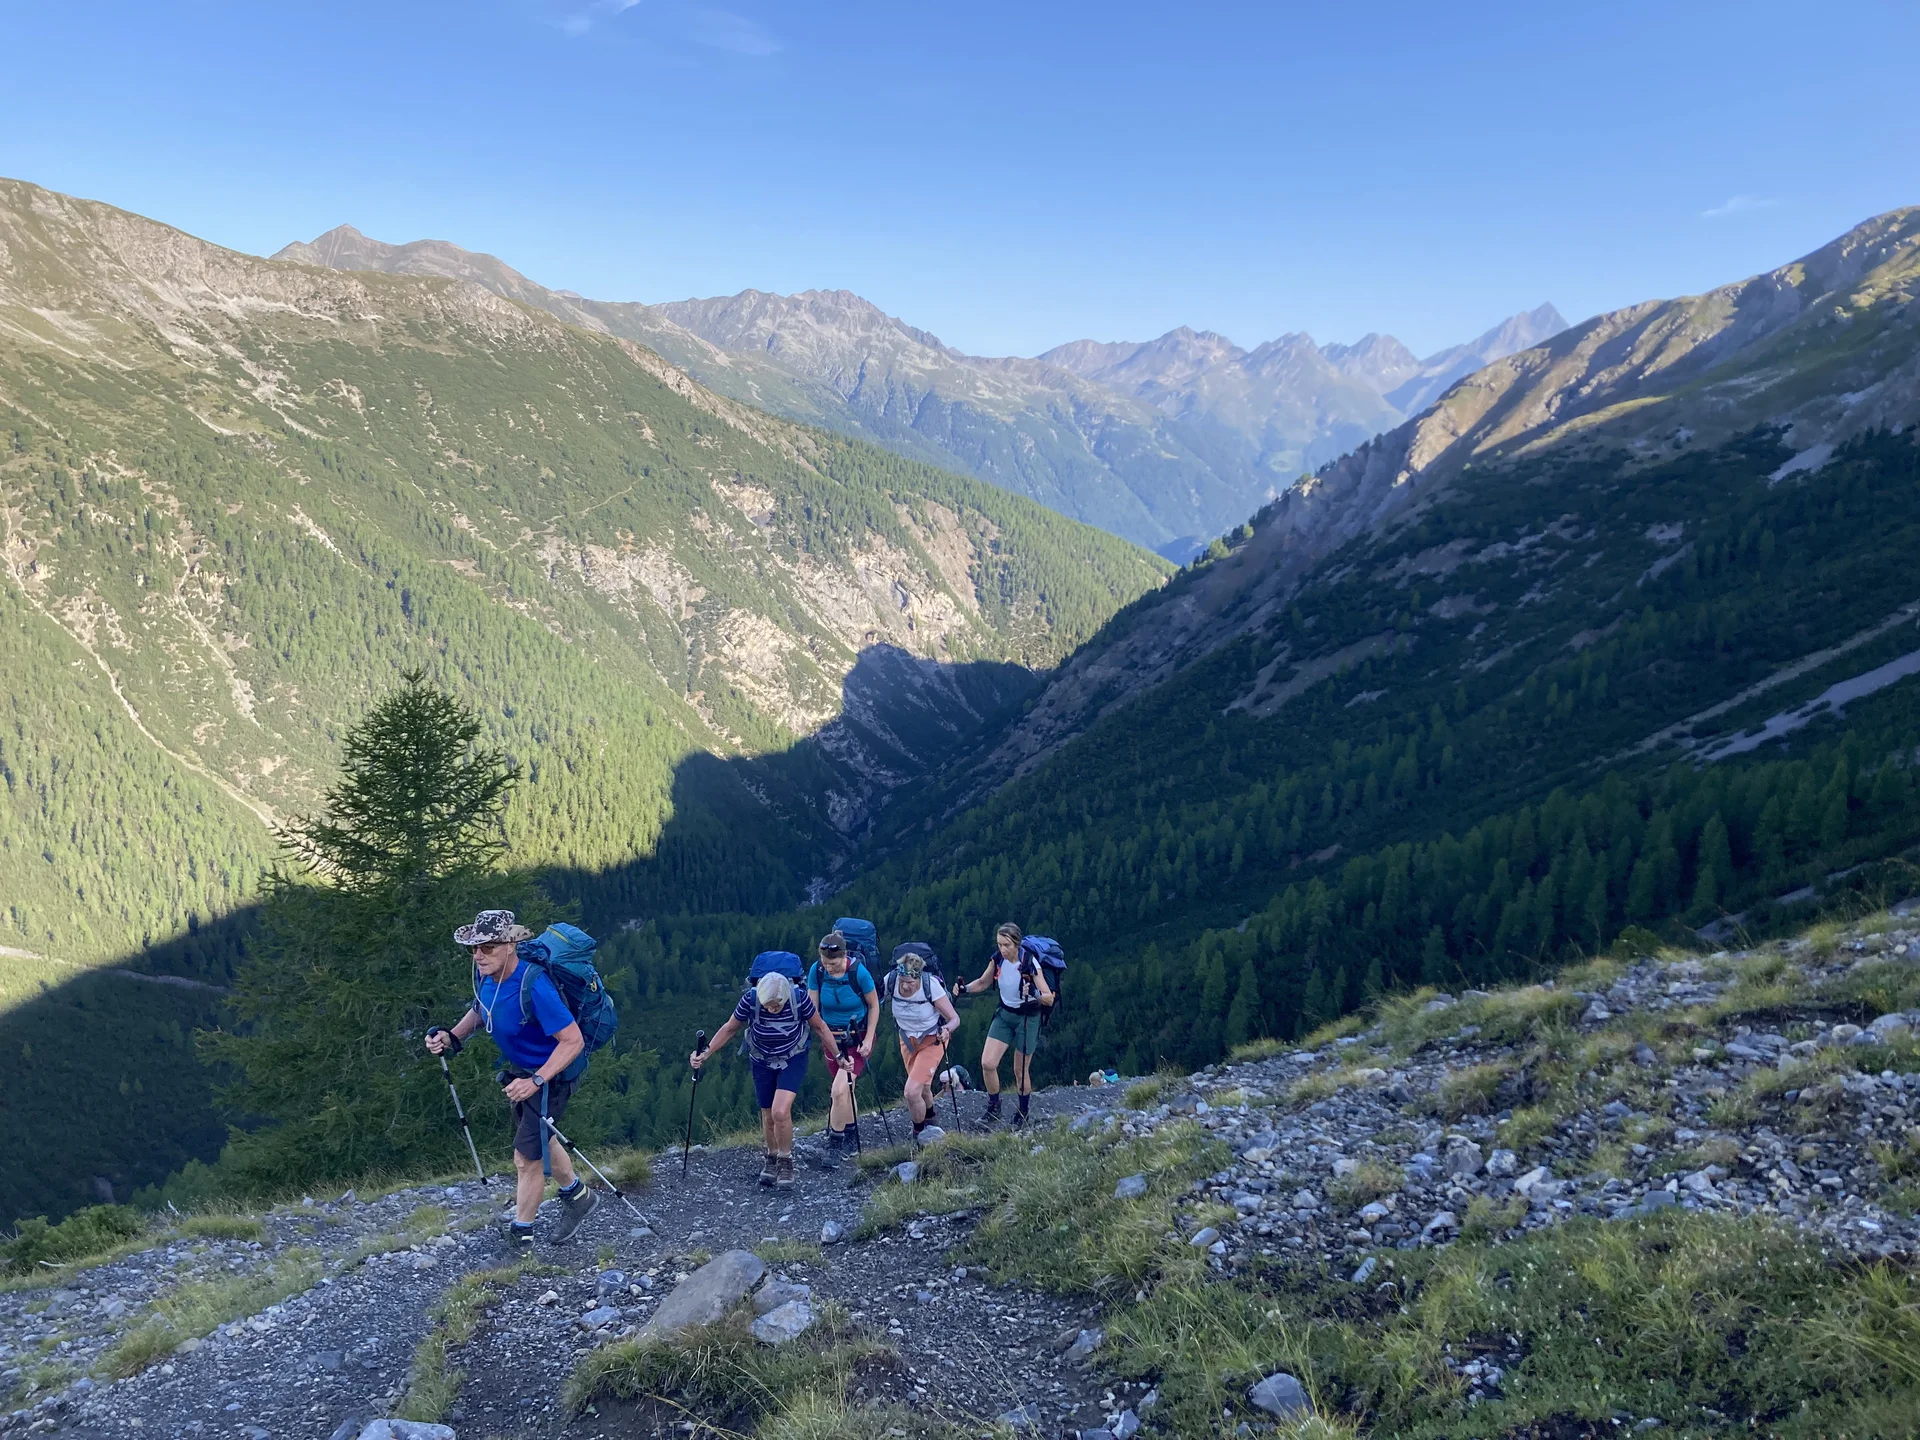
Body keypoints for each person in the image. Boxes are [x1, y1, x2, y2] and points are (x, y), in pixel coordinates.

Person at [426, 909, 599, 1250]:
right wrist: (452, 1037)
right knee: (541, 1139)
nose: (478, 955)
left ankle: (520, 1241)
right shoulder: (487, 977)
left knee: (525, 1158)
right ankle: (578, 1197)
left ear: (510, 946)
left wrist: (536, 1080)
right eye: (474, 948)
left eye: (488, 947)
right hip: (526, 1071)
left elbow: (573, 1041)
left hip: (553, 1075)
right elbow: (482, 1009)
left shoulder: (534, 986)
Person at [692, 971, 846, 1187]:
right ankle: (772, 1157)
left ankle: (785, 1159)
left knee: (780, 1111)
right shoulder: (750, 1000)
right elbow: (730, 1028)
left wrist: (838, 1055)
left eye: (777, 1006)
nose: (772, 1009)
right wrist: (706, 1053)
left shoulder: (800, 999)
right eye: (768, 1006)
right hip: (761, 1059)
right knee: (767, 1114)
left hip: (793, 1058)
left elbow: (819, 1027)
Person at [962, 922, 1053, 1127]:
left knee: (1020, 1071)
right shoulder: (997, 960)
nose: (1002, 949)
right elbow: (984, 982)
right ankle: (994, 1106)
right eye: (999, 944)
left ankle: (1023, 1112)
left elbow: (1049, 998)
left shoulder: (1030, 964)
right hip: (1005, 1014)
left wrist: (1034, 995)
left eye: (1006, 945)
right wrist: (964, 989)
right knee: (987, 1063)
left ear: (1017, 944)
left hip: (1027, 1018)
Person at [806, 931, 878, 1167]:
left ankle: (834, 1144)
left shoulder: (859, 973)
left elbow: (874, 1005)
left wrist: (868, 1039)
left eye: (834, 964)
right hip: (830, 1038)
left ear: (844, 956)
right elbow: (812, 1008)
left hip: (856, 1038)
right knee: (847, 1089)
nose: (830, 968)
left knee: (838, 1090)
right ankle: (851, 1131)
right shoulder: (817, 971)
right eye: (826, 963)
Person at [887, 949, 961, 1142]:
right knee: (923, 1088)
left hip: (932, 1040)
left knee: (911, 1092)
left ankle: (919, 1134)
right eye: (902, 981)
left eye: (910, 983)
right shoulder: (891, 980)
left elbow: (954, 1019)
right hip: (907, 1040)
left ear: (918, 978)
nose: (904, 987)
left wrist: (946, 1029)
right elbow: (873, 1002)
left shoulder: (931, 987)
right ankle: (932, 1120)